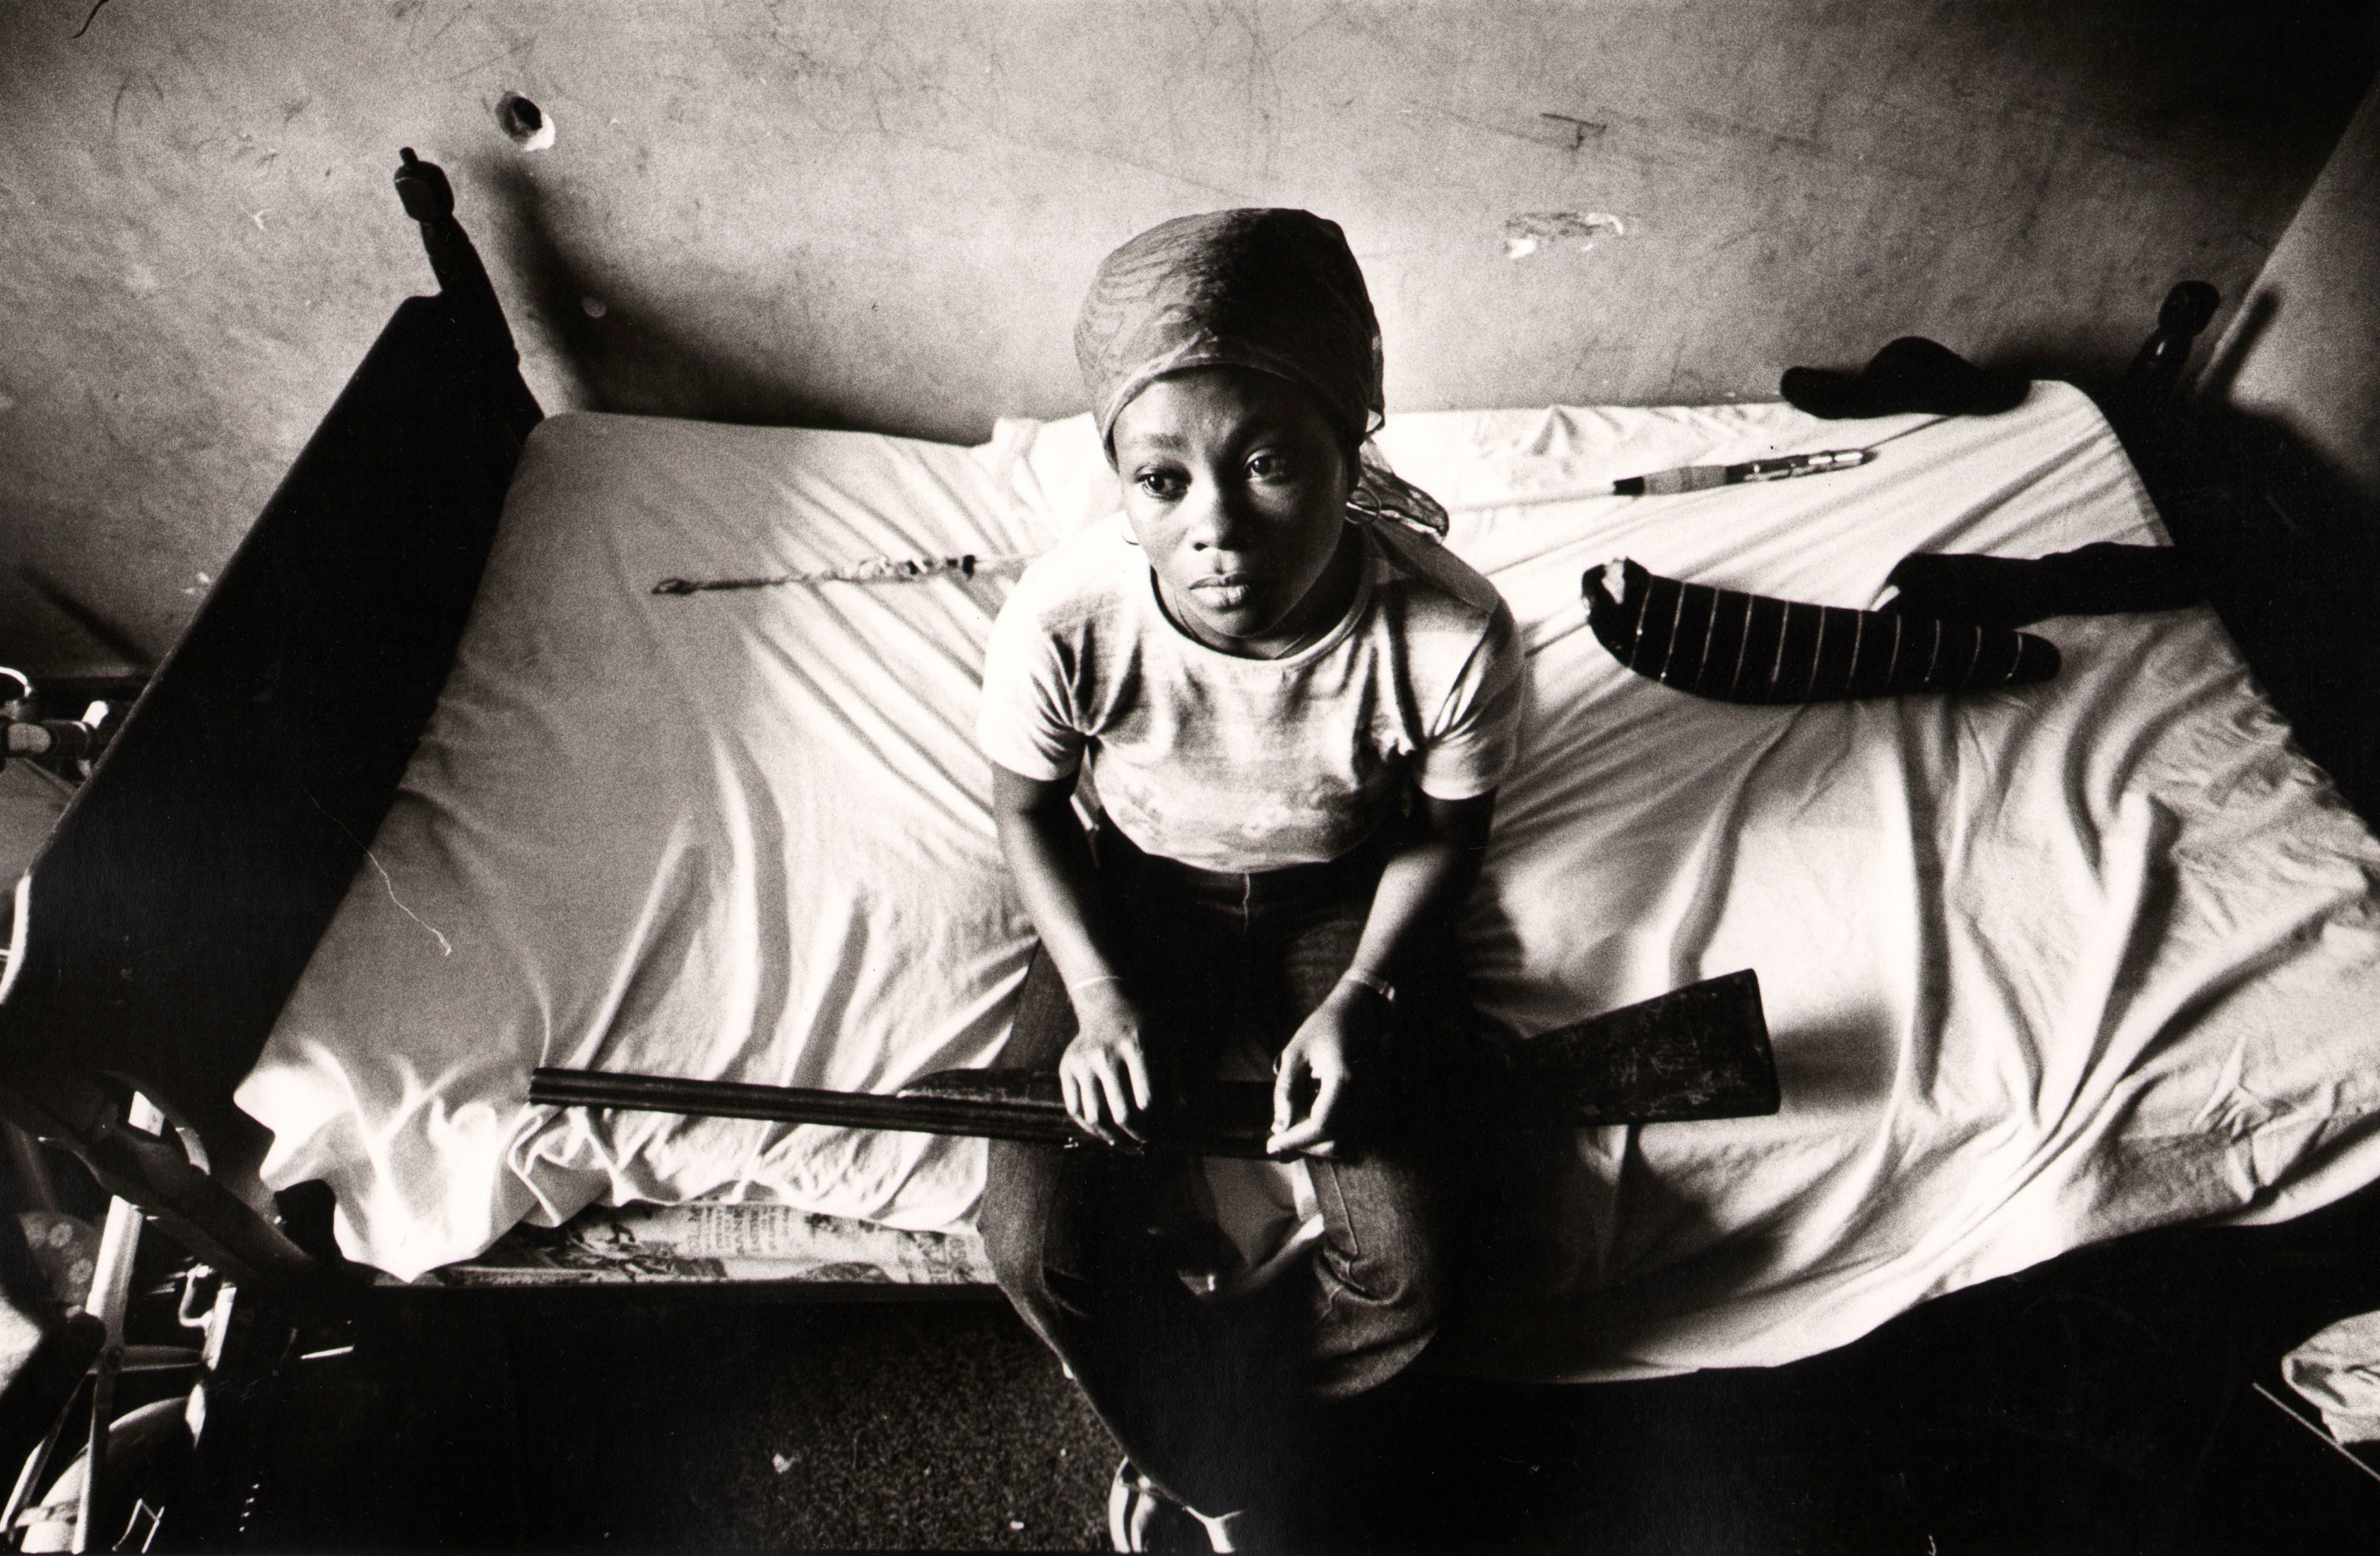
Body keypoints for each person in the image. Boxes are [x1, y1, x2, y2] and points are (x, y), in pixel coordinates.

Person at [974, 208, 1523, 1551]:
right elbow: (1028, 808)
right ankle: (1192, 1455)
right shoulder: (1064, 617)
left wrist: (1365, 997)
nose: (1218, 528)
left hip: (1343, 900)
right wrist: (1100, 998)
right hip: (1137, 894)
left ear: (1353, 449)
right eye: (1163, 482)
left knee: (1405, 1255)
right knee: (1032, 1238)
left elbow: (1447, 833)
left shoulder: (1449, 632)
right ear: (1121, 482)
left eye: (1272, 462)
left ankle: (1271, 1432)